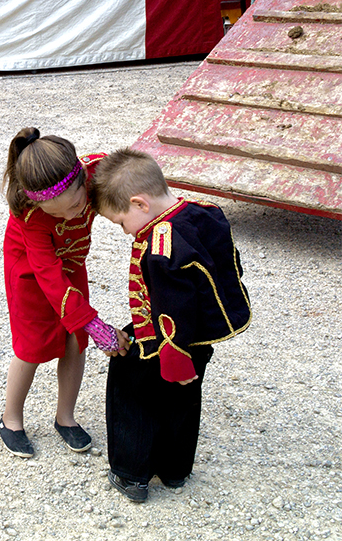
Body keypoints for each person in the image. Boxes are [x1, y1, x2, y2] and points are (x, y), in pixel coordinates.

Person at [90, 148, 251, 503]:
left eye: (120, 222)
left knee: (133, 390)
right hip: (201, 336)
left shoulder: (161, 245)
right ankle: (175, 469)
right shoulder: (202, 213)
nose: (124, 231)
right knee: (183, 399)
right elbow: (229, 266)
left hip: (169, 340)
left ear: (140, 204)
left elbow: (172, 307)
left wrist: (172, 355)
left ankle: (131, 474)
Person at [0, 128, 129, 459]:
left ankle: (65, 417)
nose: (72, 215)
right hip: (31, 271)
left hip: (71, 261)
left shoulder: (97, 172)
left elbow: (134, 180)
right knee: (32, 344)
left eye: (76, 205)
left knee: (75, 339)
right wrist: (95, 323)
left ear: (81, 180)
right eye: (59, 214)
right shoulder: (29, 216)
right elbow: (48, 276)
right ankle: (10, 418)